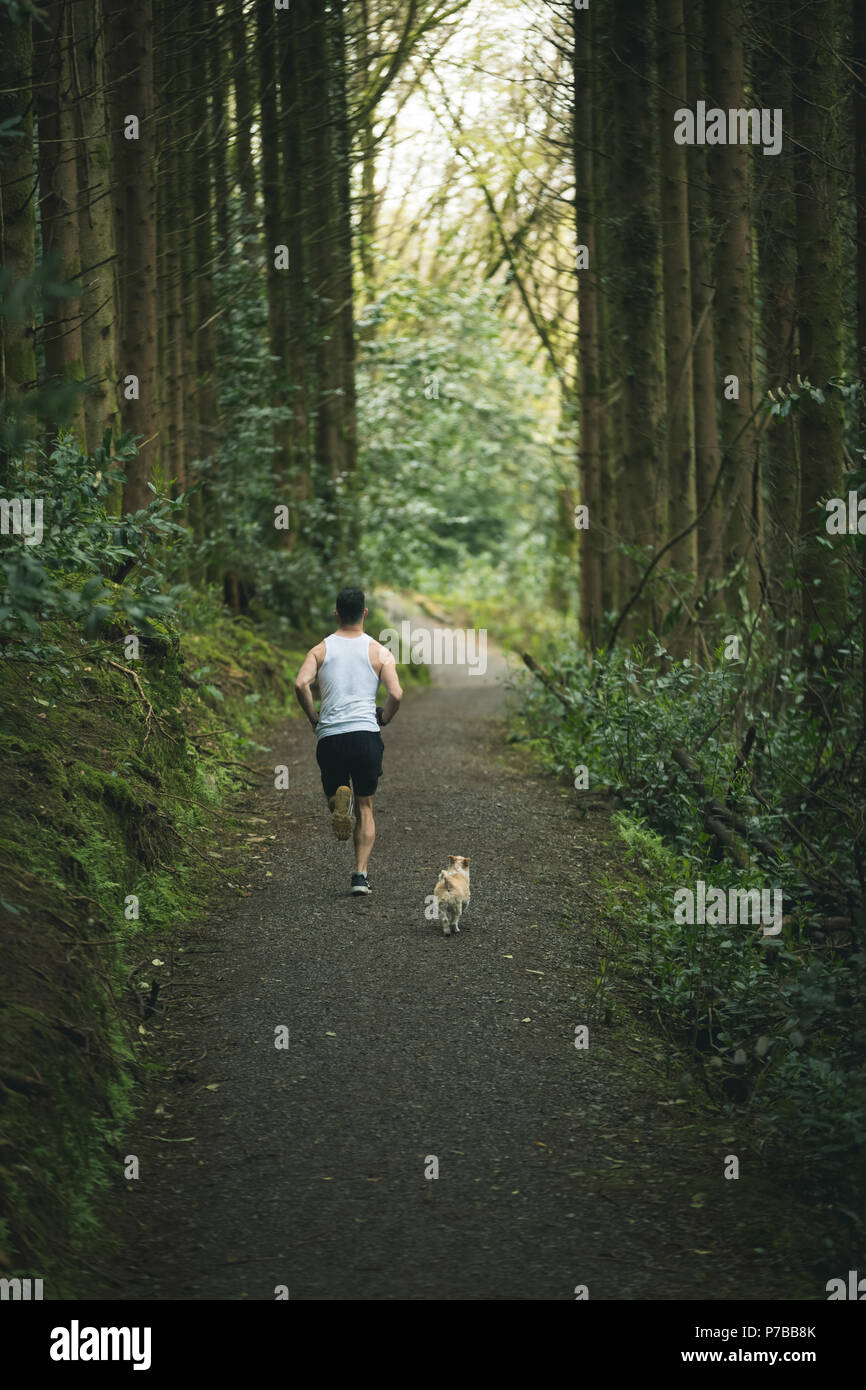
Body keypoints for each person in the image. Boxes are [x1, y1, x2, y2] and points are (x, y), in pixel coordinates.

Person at [294, 587, 402, 895]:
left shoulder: (320, 650)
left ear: (337, 613)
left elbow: (301, 683)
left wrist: (313, 717)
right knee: (366, 807)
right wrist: (385, 717)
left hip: (331, 736)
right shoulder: (380, 652)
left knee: (337, 794)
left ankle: (340, 802)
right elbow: (396, 694)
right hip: (366, 735)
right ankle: (360, 876)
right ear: (365, 613)